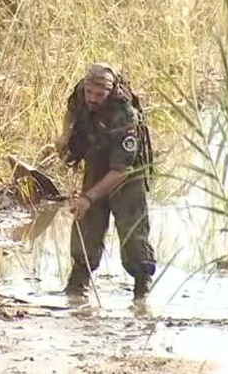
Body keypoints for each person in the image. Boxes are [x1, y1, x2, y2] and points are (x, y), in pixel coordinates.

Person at [55, 62, 156, 304]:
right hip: (96, 159)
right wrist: (66, 135)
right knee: (87, 225)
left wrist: (89, 198)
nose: (93, 99)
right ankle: (78, 284)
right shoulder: (81, 92)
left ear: (110, 92)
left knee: (132, 233)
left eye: (99, 95)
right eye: (90, 93)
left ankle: (141, 290)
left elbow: (121, 170)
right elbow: (71, 109)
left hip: (127, 173)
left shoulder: (125, 115)